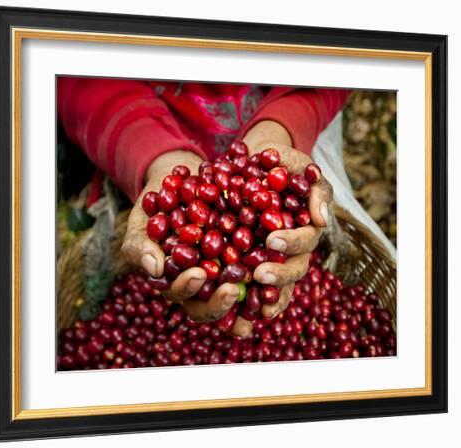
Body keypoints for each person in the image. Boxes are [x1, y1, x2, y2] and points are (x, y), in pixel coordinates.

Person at [57, 78, 351, 337]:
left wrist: (282, 126)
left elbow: (340, 55)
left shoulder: (243, 198)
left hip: (284, 115)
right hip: (136, 137)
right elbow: (76, 75)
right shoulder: (201, 211)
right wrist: (156, 157)